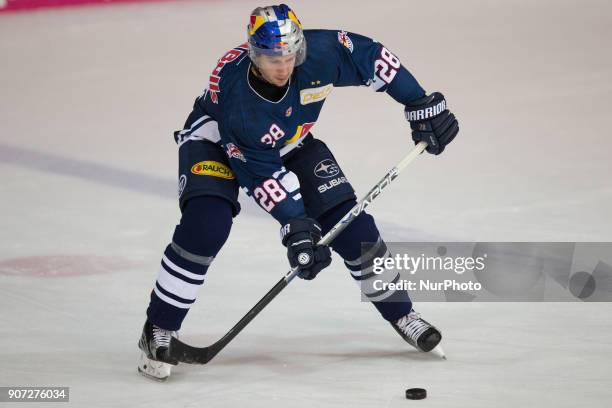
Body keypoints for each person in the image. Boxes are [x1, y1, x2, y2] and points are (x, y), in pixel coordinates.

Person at [138, 4, 459, 380]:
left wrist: (419, 104)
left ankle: (403, 314)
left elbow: (374, 58)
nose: (284, 66)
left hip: (290, 141)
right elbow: (262, 175)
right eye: (273, 58)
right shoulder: (239, 99)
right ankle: (158, 327)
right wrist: (296, 225)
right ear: (254, 55)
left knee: (352, 227)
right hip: (216, 141)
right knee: (207, 224)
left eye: (290, 55)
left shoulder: (321, 52)